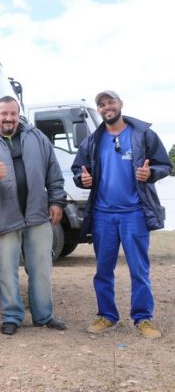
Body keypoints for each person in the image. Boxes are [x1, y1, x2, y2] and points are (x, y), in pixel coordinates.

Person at [0, 96, 67, 335]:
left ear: (18, 114)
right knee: (7, 272)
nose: (9, 118)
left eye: (13, 113)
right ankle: (11, 317)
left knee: (41, 269)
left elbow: (53, 171)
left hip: (37, 214)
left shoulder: (37, 137)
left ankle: (44, 316)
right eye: (4, 114)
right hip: (4, 218)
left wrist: (56, 201)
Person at [72, 90, 171, 339]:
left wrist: (151, 174)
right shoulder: (92, 140)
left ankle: (143, 318)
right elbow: (78, 170)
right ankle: (107, 316)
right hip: (103, 215)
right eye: (102, 104)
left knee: (139, 270)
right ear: (98, 110)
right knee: (103, 270)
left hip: (135, 213)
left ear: (120, 104)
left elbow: (164, 165)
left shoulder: (143, 135)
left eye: (111, 102)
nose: (107, 107)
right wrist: (82, 179)